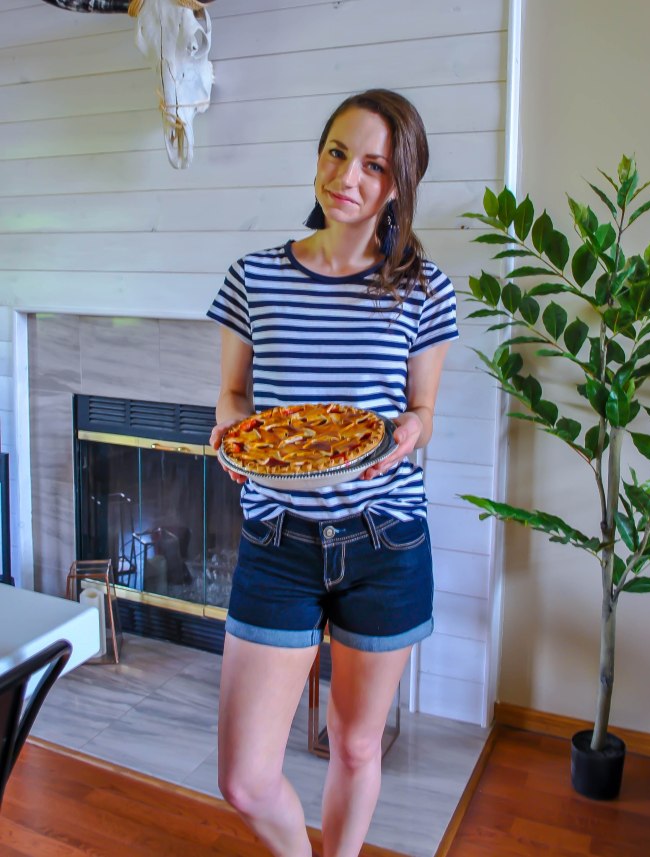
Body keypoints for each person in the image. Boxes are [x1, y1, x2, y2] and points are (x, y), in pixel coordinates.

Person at [207, 88, 458, 857]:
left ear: (399, 184)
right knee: (245, 778)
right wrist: (225, 426)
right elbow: (235, 394)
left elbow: (421, 415)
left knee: (354, 747)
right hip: (276, 535)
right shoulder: (254, 275)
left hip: (384, 540)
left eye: (374, 165)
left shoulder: (423, 287)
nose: (347, 176)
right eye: (336, 152)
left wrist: (412, 428)